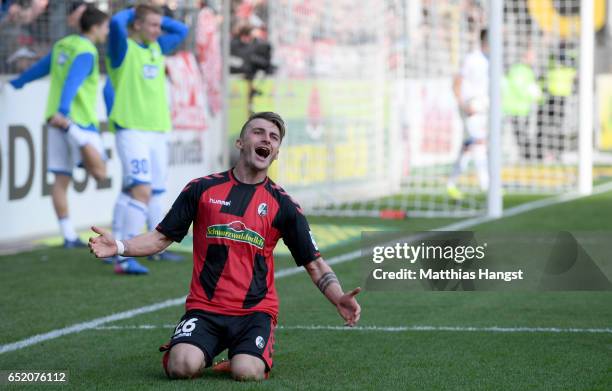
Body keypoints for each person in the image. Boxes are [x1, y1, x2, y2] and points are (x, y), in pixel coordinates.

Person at [89, 111, 362, 381]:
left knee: (247, 372)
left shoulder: (284, 206)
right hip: (205, 308)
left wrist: (338, 297)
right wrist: (120, 247)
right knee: (181, 366)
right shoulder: (201, 190)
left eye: (274, 137)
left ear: (276, 152)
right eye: (258, 132)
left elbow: (313, 262)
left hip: (255, 312)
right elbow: (161, 237)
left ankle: (239, 359)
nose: (266, 139)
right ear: (240, 143)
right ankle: (201, 349)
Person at [7, 5, 109, 247]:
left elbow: (43, 67)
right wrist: (65, 115)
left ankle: (68, 235)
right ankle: (72, 132)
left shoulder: (64, 44)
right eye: (105, 27)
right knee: (101, 173)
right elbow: (73, 82)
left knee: (61, 180)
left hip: (54, 120)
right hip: (76, 121)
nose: (107, 32)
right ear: (94, 27)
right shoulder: (87, 50)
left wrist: (18, 82)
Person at [105, 4, 188, 274]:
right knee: (141, 190)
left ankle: (153, 249)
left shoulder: (156, 47)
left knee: (155, 190)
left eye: (159, 25)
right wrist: (135, 10)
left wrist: (154, 16)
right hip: (132, 130)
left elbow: (182, 30)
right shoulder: (122, 48)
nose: (158, 30)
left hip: (156, 130)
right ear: (137, 25)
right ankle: (123, 256)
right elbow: (117, 23)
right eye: (151, 25)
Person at [447, 28, 489, 200]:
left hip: (483, 109)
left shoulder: (491, 60)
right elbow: (457, 81)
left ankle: (451, 183)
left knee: (468, 146)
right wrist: (463, 104)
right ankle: (487, 185)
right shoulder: (473, 59)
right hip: (470, 107)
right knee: (478, 143)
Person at [502, 47, 541, 160]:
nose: (534, 59)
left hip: (523, 108)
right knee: (520, 137)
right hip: (515, 109)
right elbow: (519, 88)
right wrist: (532, 94)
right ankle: (524, 158)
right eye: (532, 56)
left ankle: (526, 158)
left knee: (523, 136)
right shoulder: (519, 70)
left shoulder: (527, 70)